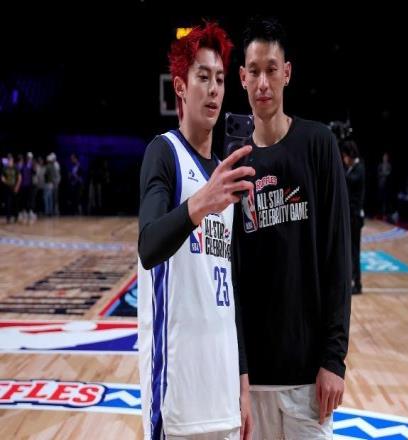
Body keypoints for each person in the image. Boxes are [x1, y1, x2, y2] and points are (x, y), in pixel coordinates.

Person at [233, 17, 351, 439]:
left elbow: (338, 256)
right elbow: (229, 275)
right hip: (250, 383)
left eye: (271, 69)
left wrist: (334, 360)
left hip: (308, 379)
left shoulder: (318, 144)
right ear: (242, 77)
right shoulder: (231, 162)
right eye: (254, 71)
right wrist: (238, 373)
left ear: (287, 73)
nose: (263, 82)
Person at [137, 22, 254, 440]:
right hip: (178, 395)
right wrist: (202, 202)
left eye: (220, 79)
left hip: (223, 393)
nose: (214, 89)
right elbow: (149, 245)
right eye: (203, 77)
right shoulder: (164, 153)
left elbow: (231, 288)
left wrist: (243, 383)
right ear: (181, 87)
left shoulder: (224, 173)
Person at [342, 140, 366, 295]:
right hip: (351, 216)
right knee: (350, 251)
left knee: (354, 251)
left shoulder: (359, 169)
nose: (343, 159)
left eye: (344, 156)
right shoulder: (352, 169)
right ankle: (352, 280)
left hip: (354, 217)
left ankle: (357, 283)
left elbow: (348, 181)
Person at [1, 154, 22, 223]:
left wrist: (17, 187)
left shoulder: (15, 168)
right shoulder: (5, 168)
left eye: (11, 160)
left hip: (14, 187)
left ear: (12, 161)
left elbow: (19, 178)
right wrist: (5, 181)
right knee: (8, 203)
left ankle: (16, 216)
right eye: (9, 160)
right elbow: (2, 177)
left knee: (15, 203)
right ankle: (8, 218)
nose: (10, 161)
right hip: (7, 187)